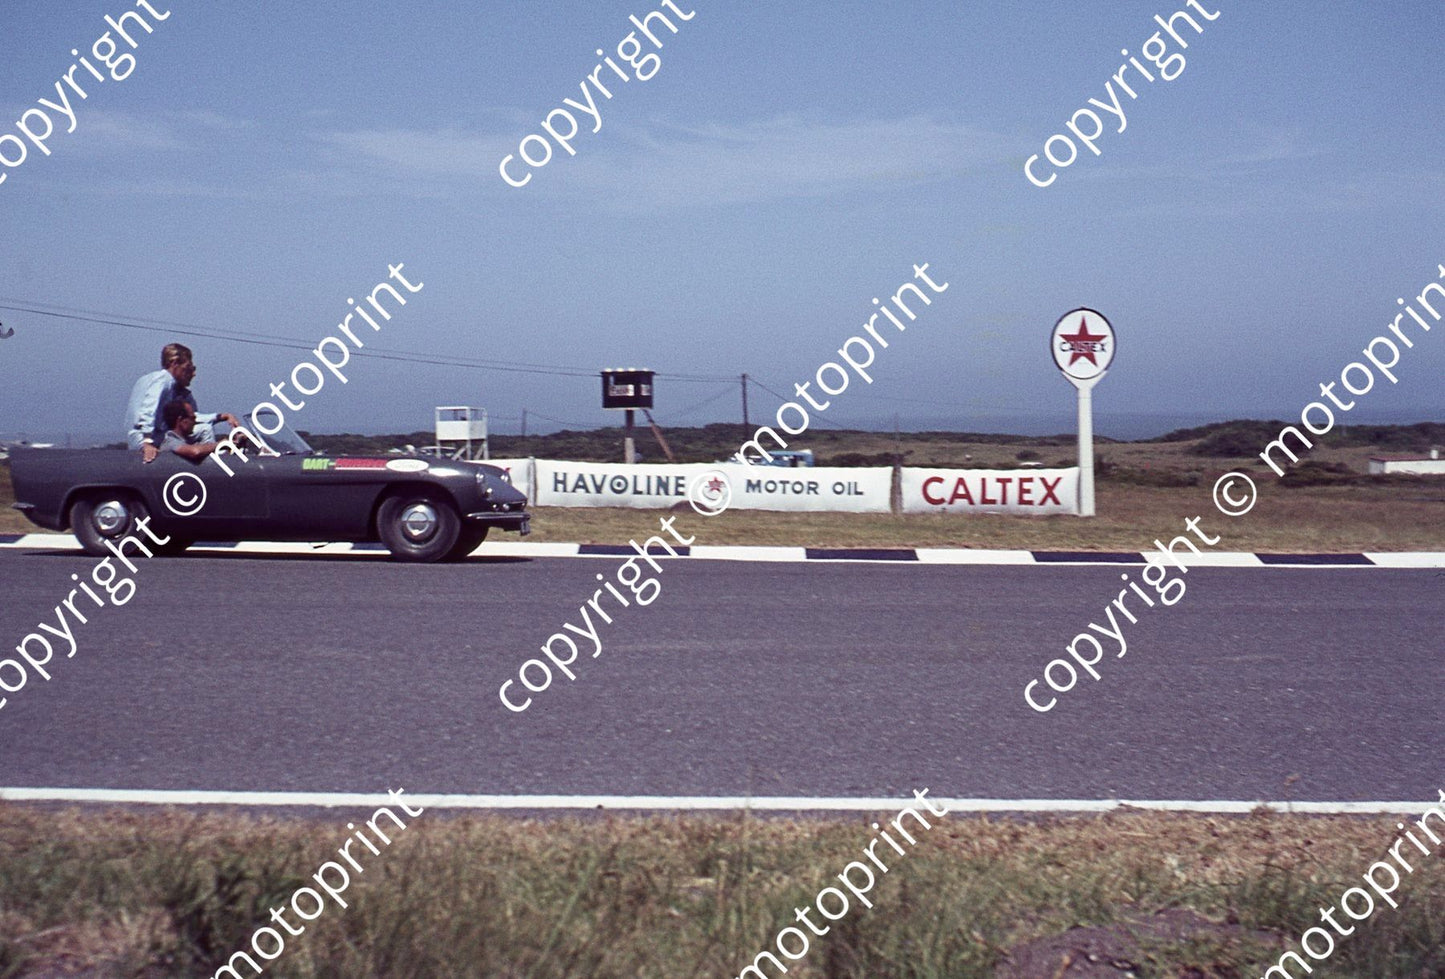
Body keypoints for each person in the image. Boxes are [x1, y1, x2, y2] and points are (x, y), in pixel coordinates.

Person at [125, 343, 241, 462]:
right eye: (188, 367)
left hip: (143, 436)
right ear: (174, 364)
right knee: (205, 429)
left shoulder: (151, 380)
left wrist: (221, 416)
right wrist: (147, 442)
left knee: (203, 428)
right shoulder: (164, 381)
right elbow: (147, 411)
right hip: (146, 438)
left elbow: (190, 417)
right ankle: (213, 461)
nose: (192, 373)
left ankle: (219, 453)